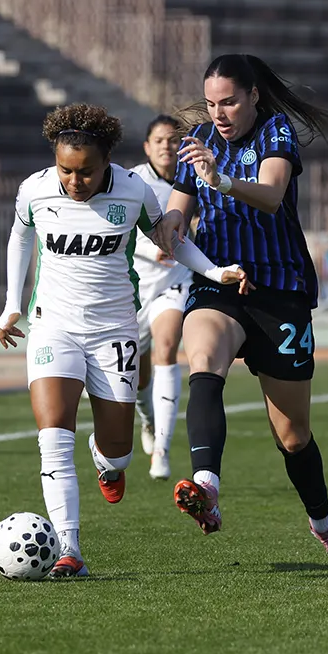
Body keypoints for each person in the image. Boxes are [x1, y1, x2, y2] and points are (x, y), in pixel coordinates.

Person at [0, 103, 243, 579]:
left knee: (118, 450)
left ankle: (106, 462)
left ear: (107, 160)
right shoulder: (35, 189)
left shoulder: (135, 191)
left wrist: (214, 270)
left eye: (85, 171)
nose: (74, 181)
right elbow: (19, 237)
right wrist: (14, 305)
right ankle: (70, 549)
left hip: (113, 329)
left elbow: (170, 237)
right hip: (54, 326)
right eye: (66, 170)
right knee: (53, 437)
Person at [156, 53, 328, 568]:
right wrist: (168, 226)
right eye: (211, 103)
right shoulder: (200, 141)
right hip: (223, 287)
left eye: (228, 101)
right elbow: (178, 211)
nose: (219, 113)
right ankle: (206, 484)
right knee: (202, 358)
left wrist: (220, 180)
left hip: (280, 293)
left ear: (253, 95)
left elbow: (272, 195)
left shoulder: (276, 133)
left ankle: (324, 526)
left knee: (293, 435)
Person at [129, 116, 188, 481]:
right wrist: (154, 249)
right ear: (148, 147)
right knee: (137, 372)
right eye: (159, 140)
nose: (167, 146)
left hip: (175, 281)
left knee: (167, 347)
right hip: (136, 286)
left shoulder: (192, 180)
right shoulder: (132, 183)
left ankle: (162, 450)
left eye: (173, 140)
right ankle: (148, 420)